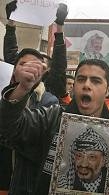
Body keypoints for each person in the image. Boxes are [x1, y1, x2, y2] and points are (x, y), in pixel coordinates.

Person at [0, 58, 109, 195]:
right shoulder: (52, 117)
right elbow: (9, 127)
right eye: (81, 79)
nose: (86, 85)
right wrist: (22, 89)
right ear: (74, 86)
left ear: (107, 90)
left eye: (95, 81)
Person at [0, 1, 68, 194]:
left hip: (29, 183)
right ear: (13, 69)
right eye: (23, 64)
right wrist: (11, 22)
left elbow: (60, 66)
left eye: (36, 65)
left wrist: (59, 28)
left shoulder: (50, 99)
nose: (29, 68)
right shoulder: (5, 96)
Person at [58, 127, 108, 192]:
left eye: (91, 157)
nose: (83, 164)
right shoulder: (62, 184)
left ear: (103, 161)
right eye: (79, 156)